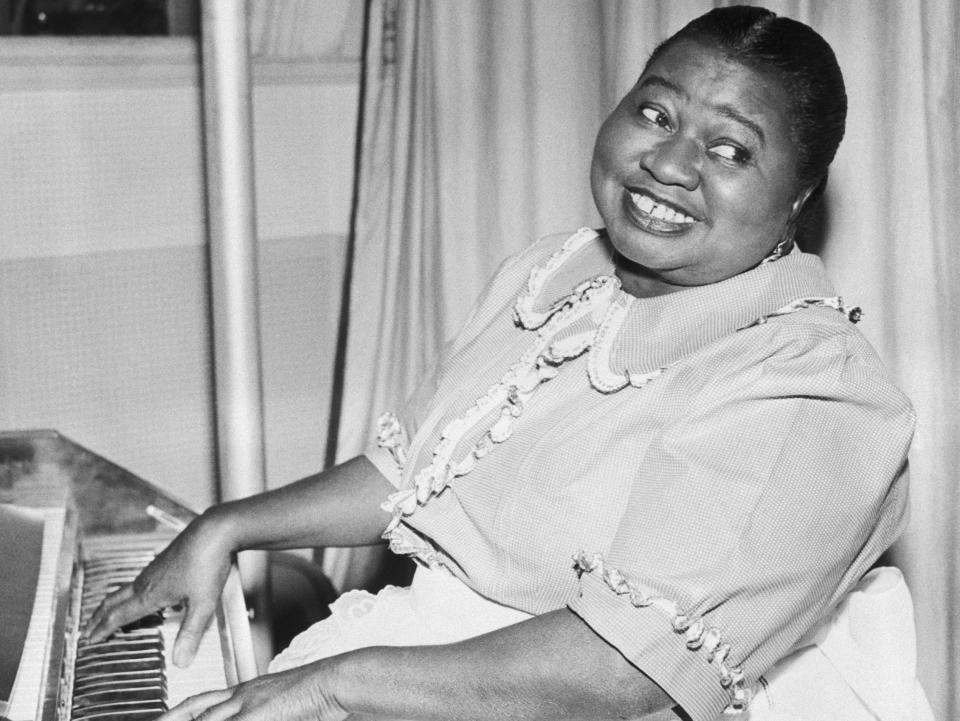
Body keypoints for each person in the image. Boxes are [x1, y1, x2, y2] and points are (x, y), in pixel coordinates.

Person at [86, 6, 925, 721]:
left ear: (800, 196)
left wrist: (338, 683)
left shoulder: (813, 387)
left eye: (732, 150)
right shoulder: (554, 277)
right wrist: (225, 526)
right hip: (439, 663)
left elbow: (623, 672)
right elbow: (416, 470)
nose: (669, 165)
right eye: (657, 114)